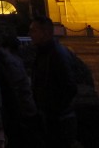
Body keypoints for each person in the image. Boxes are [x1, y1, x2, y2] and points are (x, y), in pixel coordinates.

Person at [0, 26, 43, 147]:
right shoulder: (4, 59)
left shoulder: (4, 62)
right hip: (22, 115)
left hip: (22, 117)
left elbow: (14, 92)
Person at [29, 16, 78, 148]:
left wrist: (53, 110)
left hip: (58, 120)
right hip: (52, 117)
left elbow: (70, 87)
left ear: (45, 33)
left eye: (33, 31)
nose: (30, 34)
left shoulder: (57, 55)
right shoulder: (45, 52)